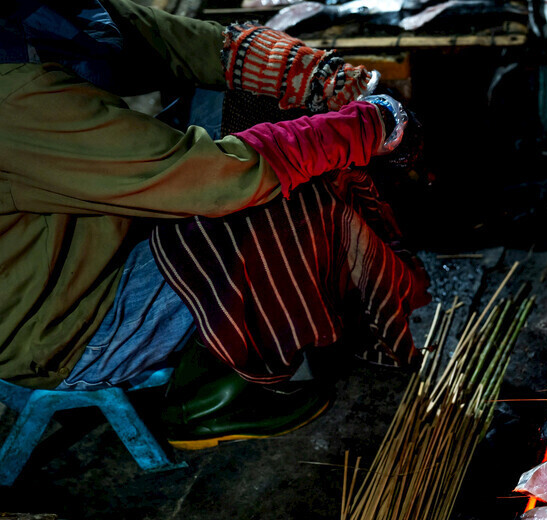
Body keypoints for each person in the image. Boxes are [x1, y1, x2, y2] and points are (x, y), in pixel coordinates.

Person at [0, 0, 430, 449]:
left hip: (78, 239)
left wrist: (316, 75)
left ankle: (249, 326)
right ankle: (206, 398)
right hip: (68, 328)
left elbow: (164, 40)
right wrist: (361, 130)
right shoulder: (11, 101)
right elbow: (215, 178)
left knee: (259, 95)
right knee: (286, 192)